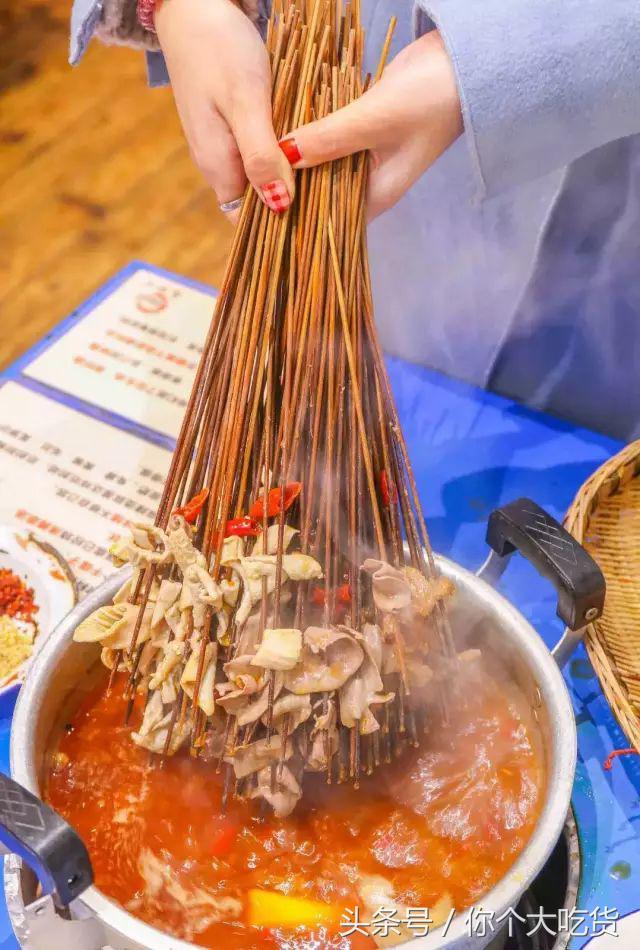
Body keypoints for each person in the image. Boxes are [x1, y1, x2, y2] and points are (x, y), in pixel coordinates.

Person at [70, 0, 640, 440]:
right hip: (328, 61)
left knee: (579, 428)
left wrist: (491, 65)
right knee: (349, 368)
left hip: (604, 126)